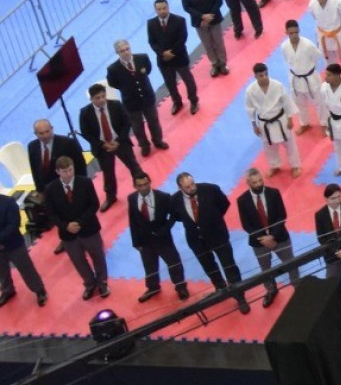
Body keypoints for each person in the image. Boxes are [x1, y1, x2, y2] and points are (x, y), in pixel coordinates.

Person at [171, 172, 251, 313]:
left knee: (229, 265)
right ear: (180, 187)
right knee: (209, 266)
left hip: (217, 235)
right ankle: (220, 288)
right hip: (196, 240)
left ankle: (239, 296)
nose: (191, 188)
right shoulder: (175, 200)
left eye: (192, 184)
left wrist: (211, 220)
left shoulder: (211, 190)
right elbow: (177, 216)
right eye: (187, 187)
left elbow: (224, 205)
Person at [44, 157, 108, 300]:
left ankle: (102, 282)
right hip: (67, 233)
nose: (69, 173)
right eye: (65, 171)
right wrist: (65, 226)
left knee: (98, 256)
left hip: (88, 228)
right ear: (57, 172)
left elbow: (94, 205)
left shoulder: (85, 182)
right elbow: (51, 213)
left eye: (71, 169)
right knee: (78, 261)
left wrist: (79, 222)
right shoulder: (50, 189)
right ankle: (90, 284)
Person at [77, 81, 146, 208]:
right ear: (91, 99)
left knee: (133, 165)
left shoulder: (116, 105)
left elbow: (126, 123)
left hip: (120, 141)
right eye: (98, 98)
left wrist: (118, 141)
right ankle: (111, 197)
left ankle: (143, 188)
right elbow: (86, 133)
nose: (102, 100)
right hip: (102, 147)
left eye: (103, 96)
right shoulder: (85, 113)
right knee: (108, 173)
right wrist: (102, 144)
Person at [235, 166, 298, 306]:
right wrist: (263, 239)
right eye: (254, 182)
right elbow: (246, 225)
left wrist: (272, 236)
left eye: (260, 181)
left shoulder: (274, 193)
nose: (258, 185)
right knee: (265, 270)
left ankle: (298, 287)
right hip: (259, 242)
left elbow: (282, 216)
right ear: (248, 183)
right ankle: (271, 290)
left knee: (291, 263)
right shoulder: (242, 201)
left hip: (279, 236)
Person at [124, 173, 187, 302]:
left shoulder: (163, 197)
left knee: (174, 263)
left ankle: (180, 286)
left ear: (150, 182)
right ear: (135, 186)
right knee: (149, 266)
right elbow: (133, 220)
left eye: (146, 184)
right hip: (144, 240)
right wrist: (135, 241)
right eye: (140, 185)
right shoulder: (131, 199)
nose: (143, 188)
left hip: (163, 238)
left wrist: (165, 229)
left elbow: (173, 215)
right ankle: (153, 287)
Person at [105, 38, 168, 154]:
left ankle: (158, 140)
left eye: (127, 49)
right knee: (137, 126)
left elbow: (147, 70)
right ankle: (144, 145)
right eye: (122, 51)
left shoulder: (142, 58)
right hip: (131, 102)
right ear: (117, 53)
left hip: (147, 97)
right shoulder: (113, 69)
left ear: (130, 47)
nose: (126, 52)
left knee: (153, 121)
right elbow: (113, 83)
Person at [147, 0, 199, 113]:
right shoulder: (151, 23)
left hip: (179, 57)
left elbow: (182, 39)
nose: (162, 11)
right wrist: (162, 53)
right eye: (159, 9)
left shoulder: (179, 20)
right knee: (170, 84)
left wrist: (172, 52)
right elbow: (152, 42)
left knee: (188, 81)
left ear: (168, 7)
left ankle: (194, 101)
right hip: (163, 60)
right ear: (155, 10)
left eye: (164, 8)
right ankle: (177, 102)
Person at [179, 0, 229, 77]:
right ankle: (214, 64)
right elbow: (186, 6)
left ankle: (223, 63)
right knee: (207, 44)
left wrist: (210, 15)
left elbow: (219, 0)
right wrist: (202, 17)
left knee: (219, 42)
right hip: (199, 21)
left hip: (214, 18)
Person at [0, 190, 48, 307]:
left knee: (26, 269)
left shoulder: (8, 202)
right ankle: (8, 290)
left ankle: (39, 290)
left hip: (13, 244)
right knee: (2, 271)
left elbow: (13, 225)